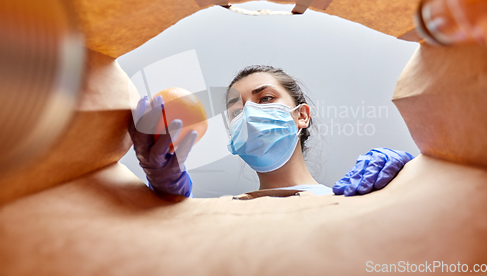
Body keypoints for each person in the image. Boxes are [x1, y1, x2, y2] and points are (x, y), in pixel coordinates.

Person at [128, 65, 413, 199]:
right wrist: (166, 193)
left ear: (301, 116)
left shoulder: (351, 200)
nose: (249, 114)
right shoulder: (225, 214)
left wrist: (410, 175)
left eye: (265, 99)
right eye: (236, 111)